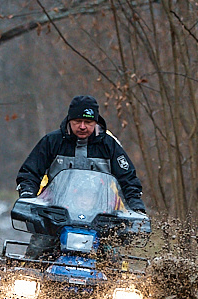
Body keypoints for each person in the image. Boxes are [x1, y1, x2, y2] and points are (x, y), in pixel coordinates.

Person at [16, 94, 145, 256]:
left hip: (101, 219)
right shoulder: (52, 141)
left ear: (96, 122)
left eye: (88, 122)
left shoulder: (110, 146)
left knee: (114, 262)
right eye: (77, 121)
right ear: (69, 120)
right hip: (54, 216)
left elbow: (128, 180)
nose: (82, 126)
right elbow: (29, 173)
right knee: (34, 256)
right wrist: (27, 196)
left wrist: (136, 208)